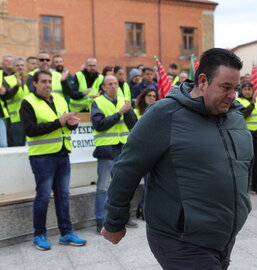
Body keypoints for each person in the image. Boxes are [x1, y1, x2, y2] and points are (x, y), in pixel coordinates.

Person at [100, 48, 252, 269]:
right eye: (226, 87)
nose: (233, 95)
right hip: (181, 241)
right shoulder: (164, 114)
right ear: (202, 81)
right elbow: (126, 170)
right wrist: (115, 222)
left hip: (223, 238)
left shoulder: (235, 116)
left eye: (235, 88)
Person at [20, 70, 87, 250]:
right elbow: (30, 130)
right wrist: (59, 122)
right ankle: (39, 235)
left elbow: (65, 125)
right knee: (43, 197)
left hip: (63, 154)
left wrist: (73, 124)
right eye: (43, 81)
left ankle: (66, 233)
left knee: (63, 196)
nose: (48, 84)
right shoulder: (27, 102)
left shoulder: (59, 99)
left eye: (49, 81)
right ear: (34, 83)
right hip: (42, 157)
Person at [90, 75, 137, 233]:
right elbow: (99, 125)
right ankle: (100, 221)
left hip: (124, 148)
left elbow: (133, 125)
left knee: (123, 186)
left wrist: (128, 110)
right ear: (103, 87)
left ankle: (123, 218)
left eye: (115, 83)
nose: (113, 86)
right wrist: (119, 113)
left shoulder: (124, 100)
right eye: (109, 84)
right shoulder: (97, 102)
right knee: (103, 188)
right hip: (106, 150)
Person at [132, 88, 158, 220]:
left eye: (154, 96)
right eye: (149, 95)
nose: (152, 98)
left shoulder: (157, 112)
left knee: (150, 182)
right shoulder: (135, 112)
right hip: (138, 152)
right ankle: (140, 209)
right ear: (143, 97)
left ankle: (143, 208)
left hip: (153, 152)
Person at [1, 57, 30, 146]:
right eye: (17, 65)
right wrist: (17, 86)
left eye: (22, 65)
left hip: (31, 117)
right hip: (16, 119)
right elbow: (7, 96)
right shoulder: (7, 79)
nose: (20, 67)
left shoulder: (31, 78)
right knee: (18, 145)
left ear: (26, 67)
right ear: (13, 67)